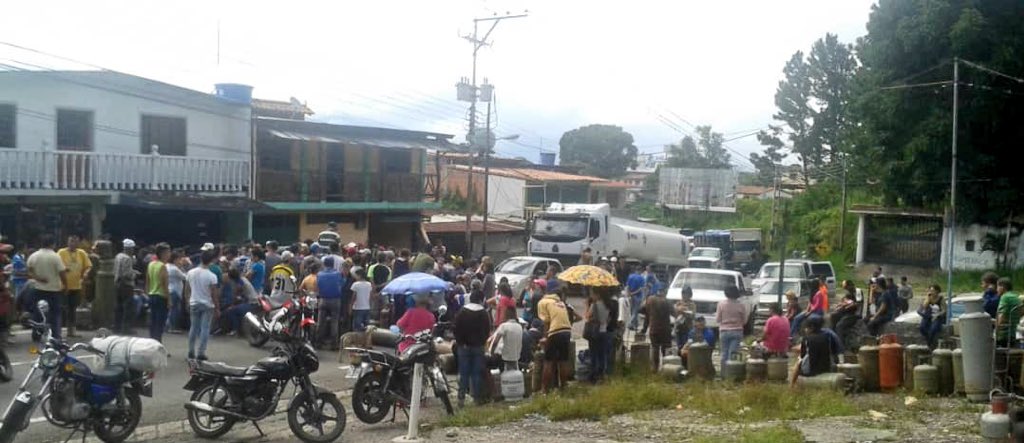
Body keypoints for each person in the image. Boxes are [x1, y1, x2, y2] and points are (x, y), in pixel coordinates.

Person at [453, 290, 490, 407]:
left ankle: (461, 398)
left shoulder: (462, 312)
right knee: (476, 373)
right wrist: (482, 342)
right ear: (481, 299)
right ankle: (477, 399)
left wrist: (460, 342)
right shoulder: (483, 313)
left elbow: (456, 328)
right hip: (478, 347)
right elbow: (487, 330)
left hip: (463, 347)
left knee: (463, 373)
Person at [28, 234, 67, 340]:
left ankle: (36, 334)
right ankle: (56, 336)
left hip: (38, 289)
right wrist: (65, 285)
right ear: (52, 244)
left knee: (38, 313)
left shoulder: (34, 255)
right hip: (53, 290)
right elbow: (62, 273)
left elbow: (30, 271)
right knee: (55, 314)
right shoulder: (55, 256)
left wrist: (38, 279)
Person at [537, 289, 573, 393]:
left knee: (548, 361)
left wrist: (545, 337)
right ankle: (564, 387)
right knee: (563, 361)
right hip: (567, 331)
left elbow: (546, 321)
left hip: (555, 331)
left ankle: (544, 390)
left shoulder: (542, 302)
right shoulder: (559, 302)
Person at [186, 251, 220, 361]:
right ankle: (201, 352)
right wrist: (217, 308)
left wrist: (187, 300)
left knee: (193, 327)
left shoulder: (190, 272)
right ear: (211, 261)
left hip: (194, 302)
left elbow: (187, 289)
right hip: (207, 304)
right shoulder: (212, 276)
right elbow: (214, 294)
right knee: (205, 328)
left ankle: (191, 351)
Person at [57, 235, 91, 338]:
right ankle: (58, 331)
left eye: (75, 242)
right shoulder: (61, 252)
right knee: (62, 308)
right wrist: (63, 269)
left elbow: (88, 266)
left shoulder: (81, 253)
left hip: (77, 286)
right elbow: (56, 265)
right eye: (71, 241)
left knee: (72, 309)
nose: (73, 244)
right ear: (68, 242)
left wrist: (86, 273)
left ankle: (71, 331)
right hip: (63, 286)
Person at [792, 315, 841, 385]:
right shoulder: (827, 337)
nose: (805, 330)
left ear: (811, 327)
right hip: (826, 368)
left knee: (798, 361)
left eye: (806, 327)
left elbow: (803, 355)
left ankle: (792, 384)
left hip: (810, 371)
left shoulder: (806, 339)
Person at [314, 256, 345, 349]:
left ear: (324, 264)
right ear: (333, 264)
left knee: (320, 322)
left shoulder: (319, 274)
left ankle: (318, 342)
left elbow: (317, 286)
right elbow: (342, 284)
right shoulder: (338, 274)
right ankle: (334, 344)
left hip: (323, 299)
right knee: (334, 322)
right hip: (335, 300)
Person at [715, 284, 747, 370]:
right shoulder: (741, 305)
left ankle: (723, 372)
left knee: (724, 353)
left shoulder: (721, 304)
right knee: (732, 353)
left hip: (724, 331)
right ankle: (731, 372)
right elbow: (744, 321)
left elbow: (718, 319)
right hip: (737, 331)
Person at [145, 243, 171, 342]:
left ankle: (151, 341)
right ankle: (158, 343)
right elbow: (164, 284)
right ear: (163, 254)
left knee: (153, 321)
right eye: (168, 252)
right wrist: (169, 300)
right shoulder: (162, 266)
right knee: (160, 323)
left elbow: (147, 281)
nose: (170, 254)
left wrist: (148, 294)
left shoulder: (151, 264)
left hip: (152, 295)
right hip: (161, 297)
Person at [642, 289, 673, 370]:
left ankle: (655, 369)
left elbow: (644, 314)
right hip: (665, 330)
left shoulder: (650, 300)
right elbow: (675, 314)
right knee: (666, 349)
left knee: (655, 349)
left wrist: (644, 329)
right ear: (665, 292)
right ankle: (667, 369)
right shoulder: (668, 302)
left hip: (654, 329)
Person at [583, 288, 610, 382]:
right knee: (602, 354)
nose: (591, 296)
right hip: (604, 331)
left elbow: (587, 317)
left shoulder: (595, 305)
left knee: (593, 354)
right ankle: (601, 375)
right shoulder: (607, 304)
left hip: (595, 332)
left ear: (597, 295)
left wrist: (587, 305)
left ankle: (593, 375)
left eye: (592, 294)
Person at [223, 267, 259, 336]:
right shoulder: (242, 279)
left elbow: (237, 293)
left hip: (251, 303)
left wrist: (232, 305)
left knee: (231, 311)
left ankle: (235, 330)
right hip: (253, 301)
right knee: (235, 308)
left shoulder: (240, 282)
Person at [488, 305, 524, 371]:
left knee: (483, 363)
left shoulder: (504, 326)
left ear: (506, 315)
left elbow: (495, 342)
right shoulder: (519, 327)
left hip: (503, 358)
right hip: (515, 357)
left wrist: (491, 353)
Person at [114, 239, 138, 334]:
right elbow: (126, 274)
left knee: (118, 307)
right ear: (129, 249)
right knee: (128, 308)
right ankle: (126, 328)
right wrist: (134, 274)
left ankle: (117, 327)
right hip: (126, 285)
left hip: (117, 284)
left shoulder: (118, 256)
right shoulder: (127, 259)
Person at [918, 284, 946, 349]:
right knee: (922, 328)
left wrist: (937, 315)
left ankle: (930, 345)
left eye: (933, 291)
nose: (931, 292)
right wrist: (928, 298)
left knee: (933, 329)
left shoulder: (941, 299)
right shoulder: (928, 298)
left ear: (937, 291)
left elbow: (944, 310)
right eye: (930, 290)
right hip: (928, 316)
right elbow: (924, 306)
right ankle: (929, 341)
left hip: (937, 317)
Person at [996, 277, 1020, 349]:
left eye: (997, 286)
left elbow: (1001, 320)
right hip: (1012, 335)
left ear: (1002, 287)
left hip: (1003, 337)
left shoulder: (1005, 298)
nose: (996, 289)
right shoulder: (1016, 297)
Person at [166, 253, 187, 333]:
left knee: (170, 310)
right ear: (175, 259)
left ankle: (168, 326)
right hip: (175, 291)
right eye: (179, 259)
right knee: (174, 310)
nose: (180, 261)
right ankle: (173, 327)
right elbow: (185, 277)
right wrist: (182, 267)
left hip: (169, 289)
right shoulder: (174, 269)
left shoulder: (166, 266)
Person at [626, 266, 645, 330]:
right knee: (635, 311)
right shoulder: (642, 278)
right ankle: (630, 323)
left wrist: (629, 293)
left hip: (630, 296)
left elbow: (628, 286)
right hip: (638, 296)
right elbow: (640, 289)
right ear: (640, 271)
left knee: (632, 311)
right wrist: (634, 293)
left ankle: (635, 325)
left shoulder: (630, 276)